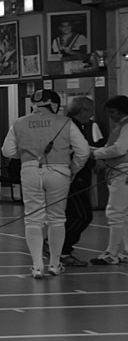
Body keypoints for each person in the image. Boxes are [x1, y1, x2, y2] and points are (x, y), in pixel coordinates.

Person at [1, 89, 90, 278]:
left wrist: (26, 156)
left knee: (33, 218)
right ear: (55, 105)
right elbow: (83, 151)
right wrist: (73, 169)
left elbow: (7, 151)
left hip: (30, 170)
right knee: (57, 218)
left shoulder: (19, 123)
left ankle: (37, 266)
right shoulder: (65, 122)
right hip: (59, 171)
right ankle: (55, 265)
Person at [61, 97, 104, 266]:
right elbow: (79, 152)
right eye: (90, 109)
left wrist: (99, 154)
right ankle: (60, 248)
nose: (92, 113)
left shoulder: (79, 126)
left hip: (76, 177)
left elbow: (84, 148)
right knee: (82, 215)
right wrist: (94, 162)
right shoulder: (72, 127)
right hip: (73, 179)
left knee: (72, 215)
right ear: (83, 111)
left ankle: (61, 249)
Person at [90, 95, 128, 265]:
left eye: (113, 112)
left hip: (122, 173)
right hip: (120, 172)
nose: (110, 116)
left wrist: (96, 153)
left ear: (121, 111)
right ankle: (126, 251)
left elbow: (119, 149)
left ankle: (112, 253)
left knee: (115, 213)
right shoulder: (121, 127)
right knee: (124, 215)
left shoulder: (126, 126)